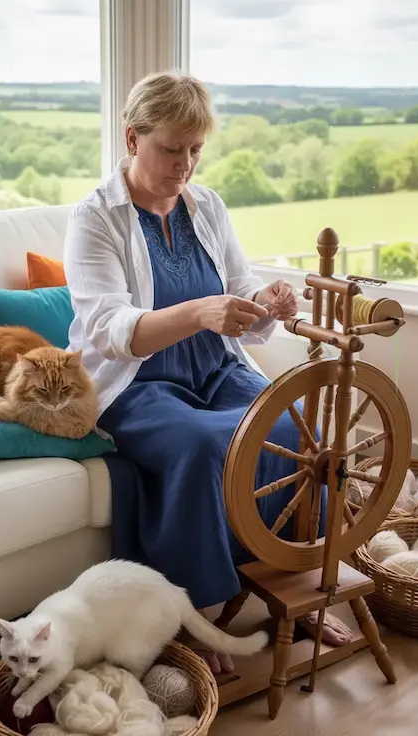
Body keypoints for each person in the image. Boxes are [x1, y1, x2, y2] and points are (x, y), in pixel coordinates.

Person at [64, 71, 353, 674]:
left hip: (215, 368)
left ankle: (295, 593)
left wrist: (267, 304)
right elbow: (110, 329)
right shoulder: (95, 218)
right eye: (172, 148)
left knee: (297, 428)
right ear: (132, 137)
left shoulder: (209, 205)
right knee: (202, 445)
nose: (186, 165)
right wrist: (200, 312)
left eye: (195, 150)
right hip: (136, 383)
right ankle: (189, 619)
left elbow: (236, 295)